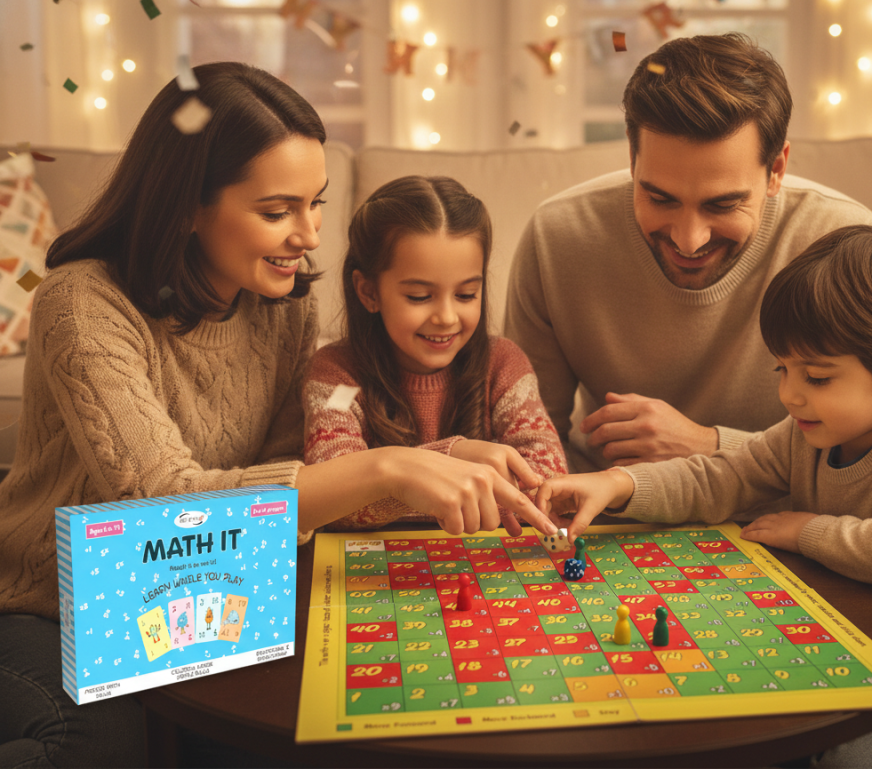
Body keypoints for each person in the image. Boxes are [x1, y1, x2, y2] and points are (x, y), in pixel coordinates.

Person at [0, 62, 555, 768]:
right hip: (51, 603)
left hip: (201, 597)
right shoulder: (82, 303)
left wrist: (438, 459)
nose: (310, 235)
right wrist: (392, 465)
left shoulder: (285, 308)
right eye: (277, 212)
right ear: (187, 206)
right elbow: (160, 502)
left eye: (315, 204)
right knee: (102, 747)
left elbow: (292, 494)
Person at [535, 226, 872, 768]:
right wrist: (618, 484)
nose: (789, 394)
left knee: (847, 765)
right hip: (868, 654)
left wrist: (803, 529)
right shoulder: (808, 432)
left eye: (816, 377)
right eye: (782, 369)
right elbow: (721, 477)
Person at [504, 32, 872, 473]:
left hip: (781, 508)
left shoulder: (843, 243)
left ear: (776, 169)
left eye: (722, 205)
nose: (689, 240)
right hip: (603, 501)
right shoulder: (557, 237)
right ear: (632, 157)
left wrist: (708, 447)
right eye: (660, 199)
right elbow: (524, 443)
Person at [303, 175, 567, 533]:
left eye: (466, 295)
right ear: (368, 292)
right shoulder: (339, 379)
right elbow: (330, 497)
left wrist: (397, 487)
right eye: (419, 297)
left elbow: (547, 483)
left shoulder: (503, 365)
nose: (446, 317)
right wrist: (451, 456)